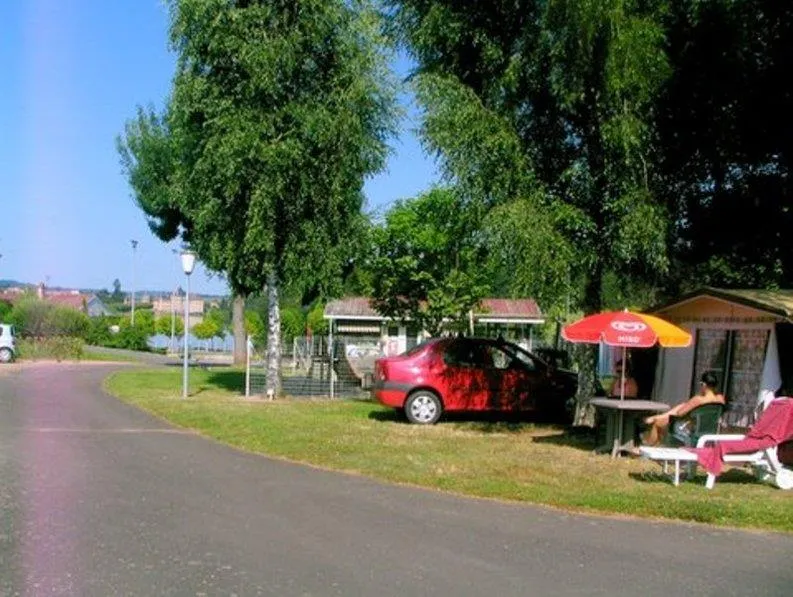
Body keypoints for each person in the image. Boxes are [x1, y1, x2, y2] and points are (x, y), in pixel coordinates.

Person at [641, 371, 725, 446]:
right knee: (682, 405)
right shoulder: (720, 399)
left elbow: (679, 413)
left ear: (704, 385)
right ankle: (657, 418)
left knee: (657, 424)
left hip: (691, 430)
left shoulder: (698, 399)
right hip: (709, 430)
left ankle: (648, 447)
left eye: (701, 384)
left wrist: (699, 394)